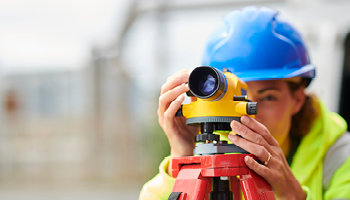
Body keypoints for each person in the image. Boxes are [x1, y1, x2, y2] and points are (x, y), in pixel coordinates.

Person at [139, 6, 350, 200]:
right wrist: (182, 160)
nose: (249, 114)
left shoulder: (341, 159)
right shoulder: (210, 155)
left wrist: (291, 193)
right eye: (235, 98)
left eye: (268, 97)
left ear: (297, 100)